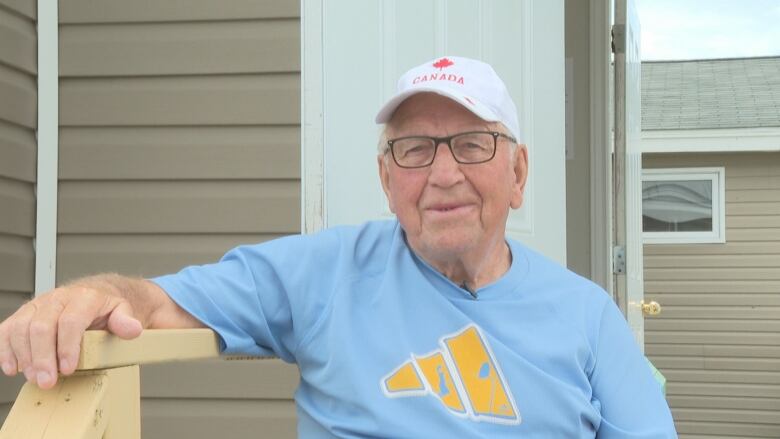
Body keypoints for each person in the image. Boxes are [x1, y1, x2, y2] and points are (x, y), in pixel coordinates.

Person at [0, 56, 677, 438]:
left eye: (473, 144)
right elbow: (158, 302)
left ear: (518, 173)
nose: (444, 174)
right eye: (414, 149)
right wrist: (94, 296)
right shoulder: (325, 272)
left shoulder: (588, 315)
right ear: (388, 179)